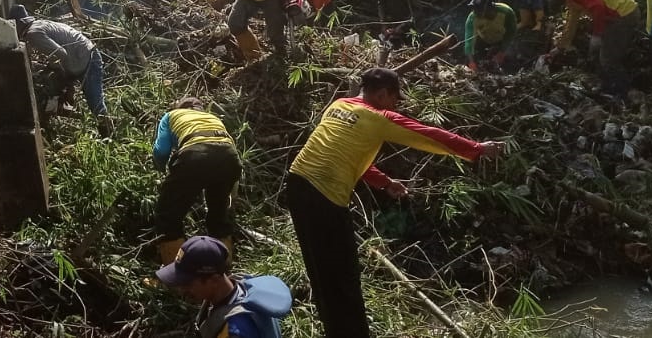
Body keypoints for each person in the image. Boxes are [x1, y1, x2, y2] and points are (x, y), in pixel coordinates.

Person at [284, 67, 500, 338]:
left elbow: (347, 156)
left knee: (321, 269)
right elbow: (428, 135)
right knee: (344, 273)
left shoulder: (338, 105)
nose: (396, 105)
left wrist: (386, 183)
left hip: (297, 184)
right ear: (383, 94)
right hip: (324, 196)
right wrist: (477, 149)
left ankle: (336, 330)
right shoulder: (379, 117)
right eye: (395, 99)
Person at [152, 99, 240, 264]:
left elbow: (161, 151)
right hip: (230, 158)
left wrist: (160, 172)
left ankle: (178, 279)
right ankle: (221, 272)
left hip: (195, 156)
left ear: (179, 108)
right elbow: (229, 155)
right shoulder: (213, 118)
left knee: (167, 217)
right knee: (219, 216)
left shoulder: (171, 115)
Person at [156, 236, 292, 338]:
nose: (182, 289)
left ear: (214, 280)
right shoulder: (240, 287)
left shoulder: (235, 331)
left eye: (188, 283)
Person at [9, 5, 111, 135]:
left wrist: (65, 81)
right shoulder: (39, 25)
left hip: (86, 59)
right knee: (63, 88)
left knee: (96, 103)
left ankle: (109, 135)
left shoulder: (33, 34)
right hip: (82, 56)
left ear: (17, 24)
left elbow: (61, 54)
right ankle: (71, 116)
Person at [541, 0, 641, 98]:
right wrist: (559, 48)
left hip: (624, 14)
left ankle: (624, 92)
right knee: (600, 55)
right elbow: (571, 23)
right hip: (615, 17)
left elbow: (597, 8)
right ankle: (608, 86)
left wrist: (597, 34)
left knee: (608, 58)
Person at [463, 0, 516, 73]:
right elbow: (469, 42)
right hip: (482, 41)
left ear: (489, 8)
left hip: (501, 41)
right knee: (472, 62)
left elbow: (511, 33)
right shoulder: (472, 18)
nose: (475, 12)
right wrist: (471, 62)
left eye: (479, 9)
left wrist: (502, 52)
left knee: (509, 59)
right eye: (474, 9)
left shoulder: (506, 12)